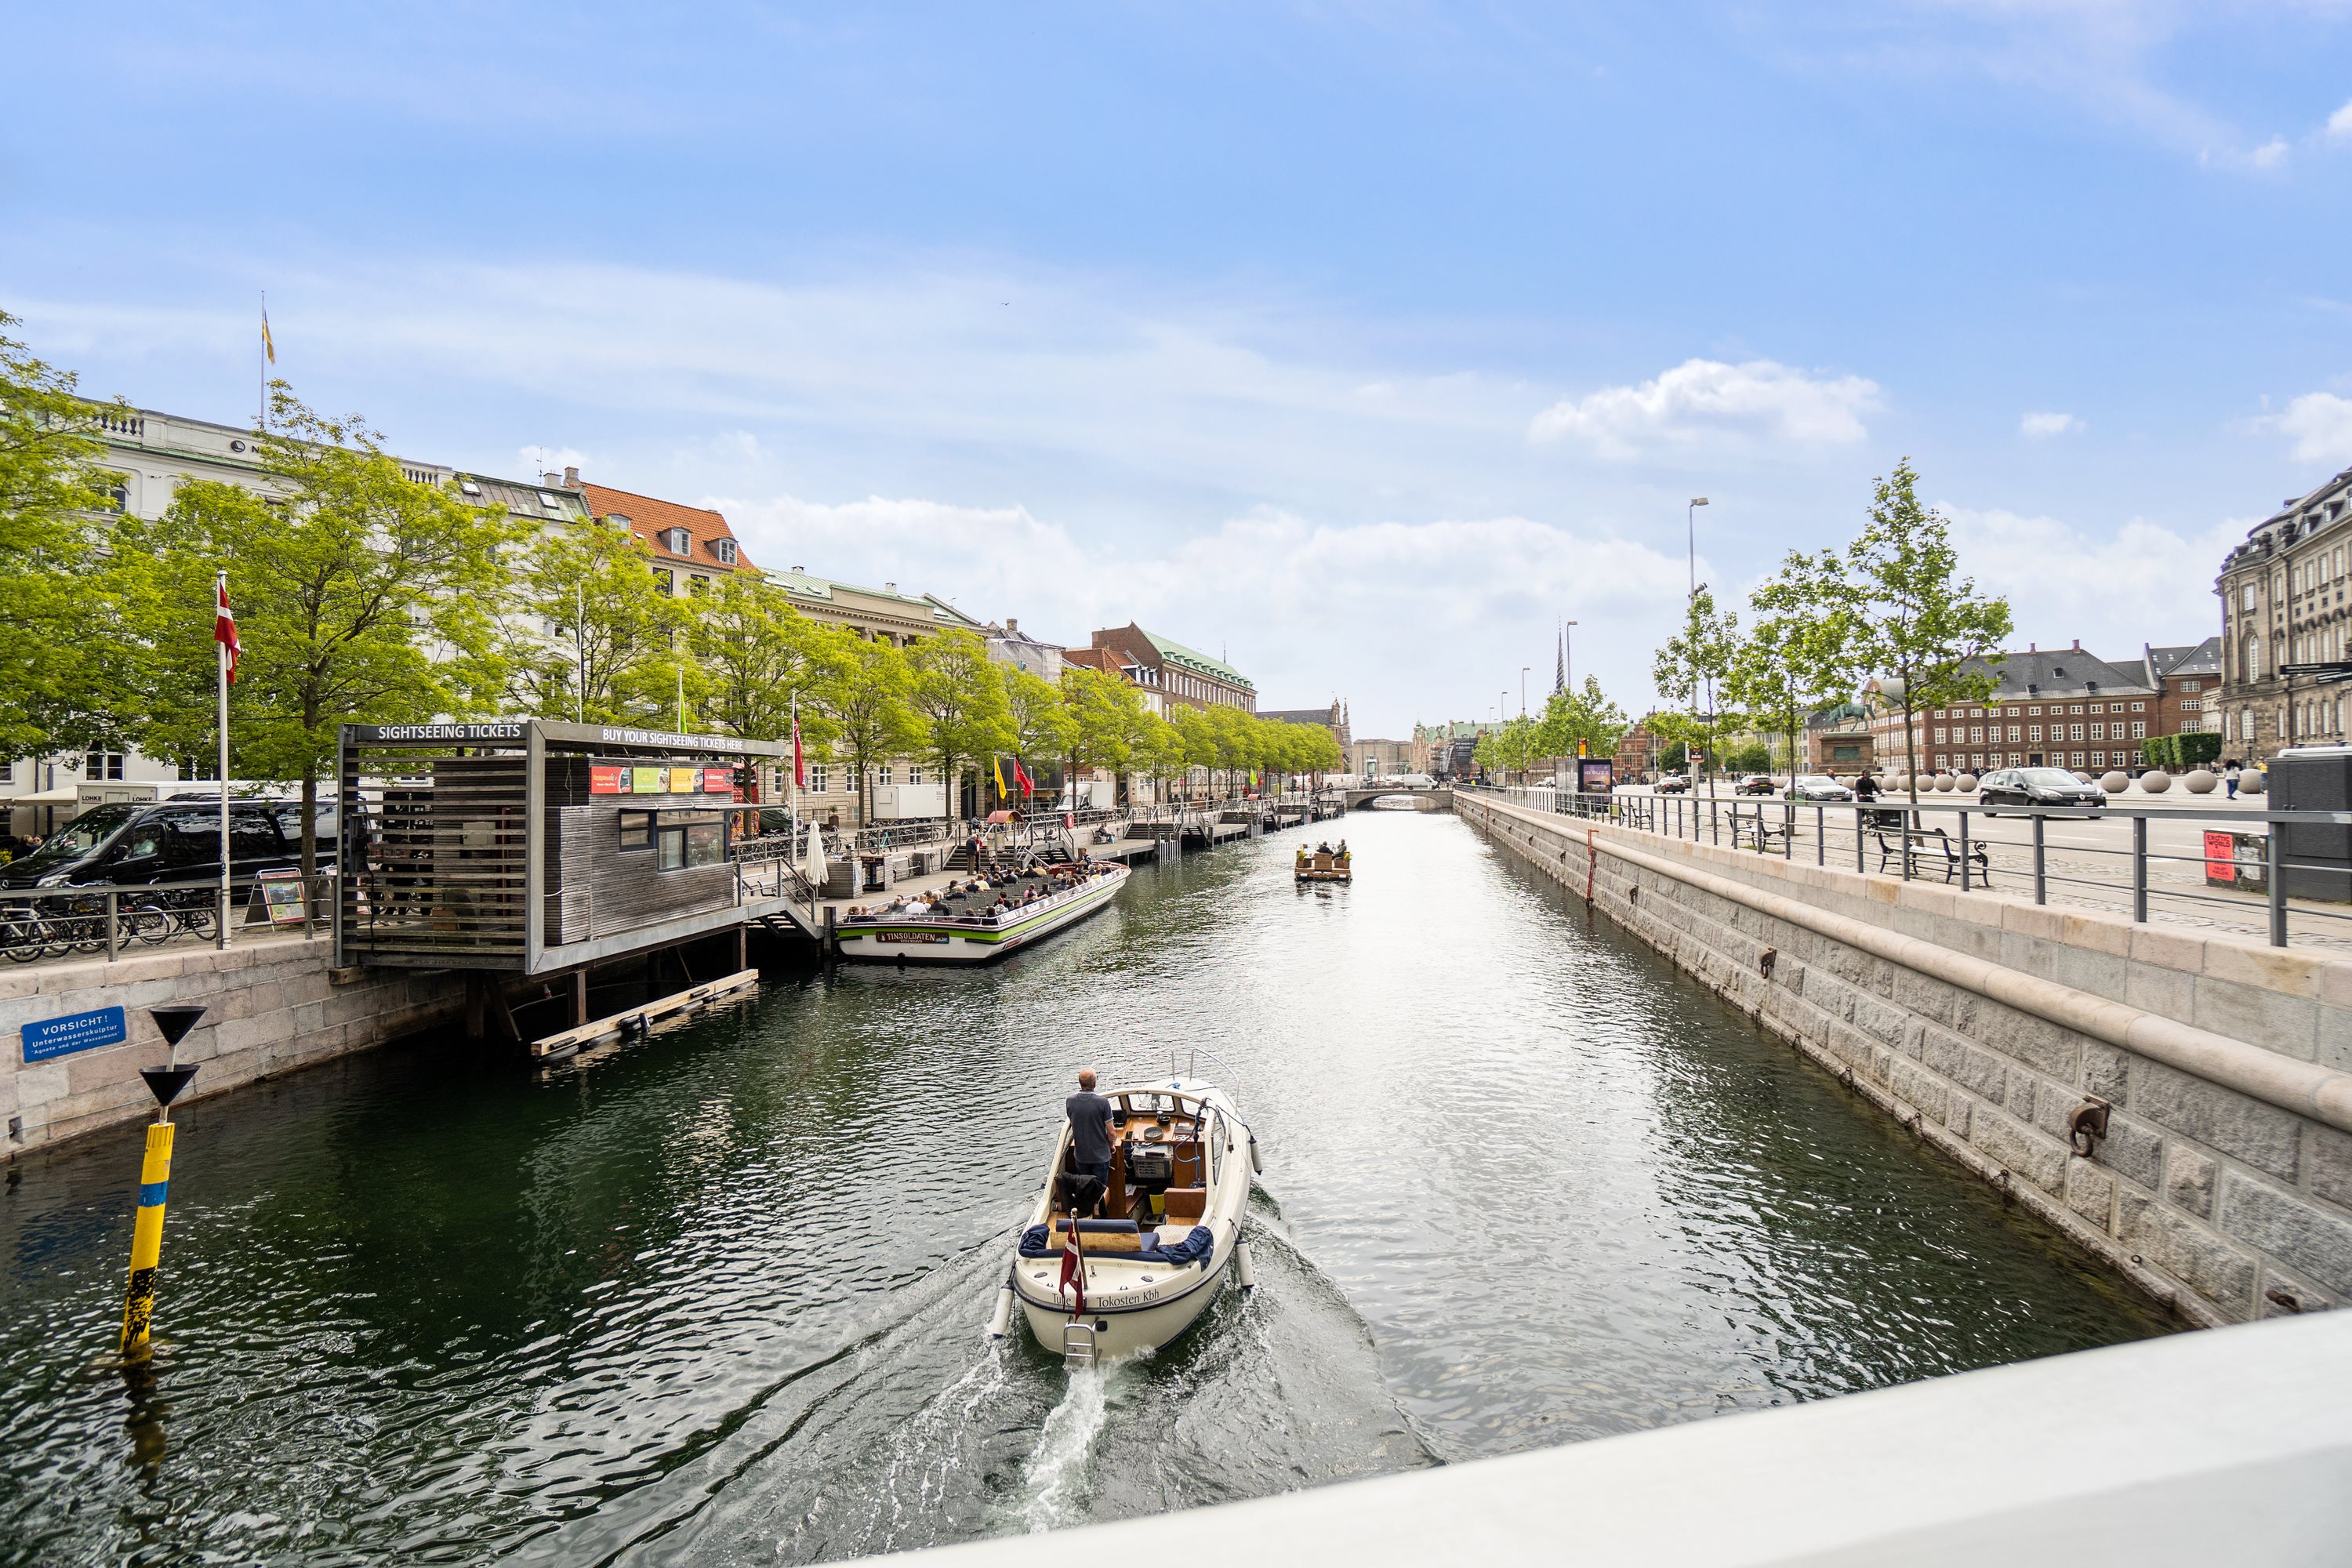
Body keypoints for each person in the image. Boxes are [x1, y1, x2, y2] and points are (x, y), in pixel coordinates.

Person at [1065, 1069, 1117, 1218]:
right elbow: (1111, 1132)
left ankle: (1087, 1217)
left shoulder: (1070, 1101)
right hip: (1100, 1157)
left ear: (1080, 1083)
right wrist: (1111, 1145)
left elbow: (1075, 1120)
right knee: (1099, 1192)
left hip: (1081, 1156)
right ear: (1094, 1083)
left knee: (1085, 1190)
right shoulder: (1103, 1103)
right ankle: (1101, 1219)